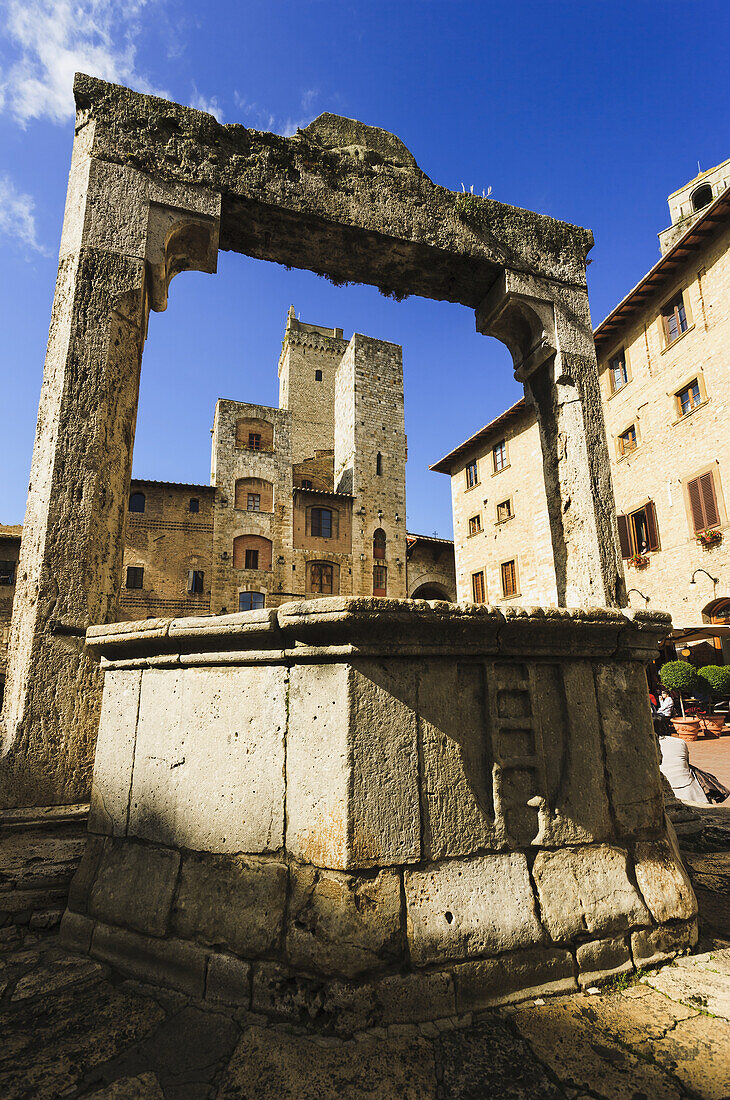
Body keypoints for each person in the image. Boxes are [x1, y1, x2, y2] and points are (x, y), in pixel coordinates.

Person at [656, 726, 709, 804]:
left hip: (667, 790)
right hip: (690, 790)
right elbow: (686, 763)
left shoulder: (646, 745)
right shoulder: (679, 742)